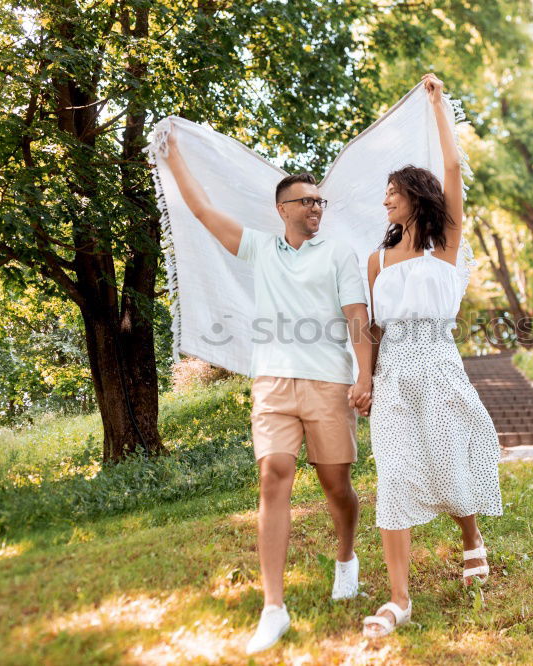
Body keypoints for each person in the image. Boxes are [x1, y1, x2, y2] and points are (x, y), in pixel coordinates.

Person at [163, 131, 374, 655]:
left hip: (328, 380)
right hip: (273, 382)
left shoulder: (339, 253)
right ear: (283, 210)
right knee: (273, 475)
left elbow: (357, 317)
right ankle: (273, 607)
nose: (316, 208)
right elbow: (204, 212)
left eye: (320, 201)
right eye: (307, 201)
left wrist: (363, 375)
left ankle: (345, 557)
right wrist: (174, 160)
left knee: (335, 487)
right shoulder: (261, 247)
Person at [360, 73, 503, 639]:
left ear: (415, 194)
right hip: (394, 368)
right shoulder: (376, 260)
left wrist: (439, 105)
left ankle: (471, 538)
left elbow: (453, 171)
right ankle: (399, 598)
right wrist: (363, 381)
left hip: (438, 361)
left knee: (447, 459)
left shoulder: (444, 242)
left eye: (393, 190)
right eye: (384, 193)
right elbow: (369, 328)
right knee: (394, 474)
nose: (385, 199)